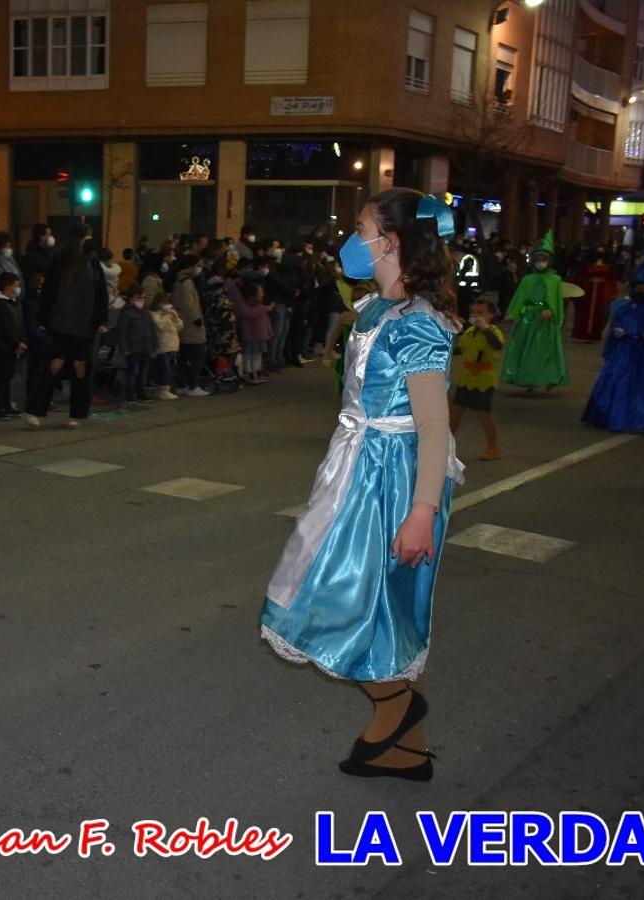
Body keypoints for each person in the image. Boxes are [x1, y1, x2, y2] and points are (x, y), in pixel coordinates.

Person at [260, 188, 464, 782]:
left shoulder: (417, 323)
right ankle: (407, 751)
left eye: (360, 229)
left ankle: (399, 710)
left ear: (390, 242)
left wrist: (422, 510)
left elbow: (433, 425)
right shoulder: (379, 308)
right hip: (360, 465)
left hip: (390, 478)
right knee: (387, 612)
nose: (351, 241)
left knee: (337, 601)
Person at [23, 227, 109, 428]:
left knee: (81, 366)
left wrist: (101, 319)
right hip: (61, 321)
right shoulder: (59, 260)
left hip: (85, 323)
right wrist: (43, 317)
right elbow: (48, 290)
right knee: (55, 362)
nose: (90, 240)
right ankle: (34, 408)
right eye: (87, 237)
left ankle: (77, 412)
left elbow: (101, 292)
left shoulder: (93, 262)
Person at [582, 258, 644, 433]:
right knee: (619, 383)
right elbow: (615, 326)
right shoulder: (623, 308)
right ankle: (612, 414)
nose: (643, 291)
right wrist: (617, 332)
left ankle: (642, 416)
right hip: (624, 352)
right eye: (640, 287)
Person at [500, 233, 567, 393]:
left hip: (545, 320)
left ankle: (548, 377)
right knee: (526, 348)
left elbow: (558, 300)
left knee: (545, 350)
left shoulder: (555, 280)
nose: (540, 263)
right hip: (528, 318)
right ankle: (527, 378)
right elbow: (519, 297)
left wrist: (552, 311)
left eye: (543, 260)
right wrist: (512, 313)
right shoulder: (527, 279)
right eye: (538, 260)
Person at [450, 294, 505, 460]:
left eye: (481, 313)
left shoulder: (493, 331)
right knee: (456, 412)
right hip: (466, 377)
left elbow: (497, 344)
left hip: (484, 379)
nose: (476, 316)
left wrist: (485, 328)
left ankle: (493, 447)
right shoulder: (469, 332)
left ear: (491, 315)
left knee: (484, 413)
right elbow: (461, 349)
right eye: (473, 313)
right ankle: (445, 444)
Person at [0, 272, 27, 420]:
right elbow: (4, 328)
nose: (18, 289)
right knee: (1, 377)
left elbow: (20, 324)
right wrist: (16, 343)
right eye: (15, 286)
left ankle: (7, 405)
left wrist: (22, 341)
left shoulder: (14, 303)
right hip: (2, 345)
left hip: (13, 345)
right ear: (7, 286)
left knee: (8, 376)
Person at [170, 256, 208, 396]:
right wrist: (197, 319)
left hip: (182, 323)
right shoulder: (187, 283)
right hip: (191, 324)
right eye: (198, 265)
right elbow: (189, 304)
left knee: (184, 356)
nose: (199, 268)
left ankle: (182, 385)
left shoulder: (178, 281)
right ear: (190, 266)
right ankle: (193, 385)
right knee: (197, 355)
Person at [115, 283, 157, 404]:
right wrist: (124, 348)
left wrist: (154, 345)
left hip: (146, 347)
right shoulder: (126, 312)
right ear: (131, 298)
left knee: (143, 372)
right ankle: (130, 395)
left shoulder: (145, 311)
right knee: (133, 372)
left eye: (143, 297)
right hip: (133, 348)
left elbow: (151, 328)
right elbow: (122, 332)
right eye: (138, 297)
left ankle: (141, 393)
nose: (141, 300)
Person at [233, 280, 273, 384]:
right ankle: (249, 374)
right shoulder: (247, 306)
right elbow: (250, 314)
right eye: (260, 292)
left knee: (257, 354)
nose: (262, 294)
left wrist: (269, 331)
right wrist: (265, 308)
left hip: (260, 335)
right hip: (250, 335)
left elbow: (266, 320)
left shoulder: (260, 306)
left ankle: (256, 373)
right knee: (248, 355)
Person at [572, 251, 616, 342]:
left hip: (602, 291)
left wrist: (612, 293)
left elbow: (612, 280)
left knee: (599, 312)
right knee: (585, 310)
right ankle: (583, 334)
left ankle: (594, 334)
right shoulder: (586, 265)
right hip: (588, 289)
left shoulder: (609, 266)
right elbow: (580, 277)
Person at [150, 291, 183, 401]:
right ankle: (163, 389)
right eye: (164, 302)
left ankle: (162, 389)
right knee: (165, 368)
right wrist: (164, 315)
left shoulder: (170, 313)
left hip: (171, 344)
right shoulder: (154, 314)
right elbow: (160, 326)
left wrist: (175, 317)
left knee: (167, 367)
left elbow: (179, 327)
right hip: (161, 345)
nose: (167, 305)